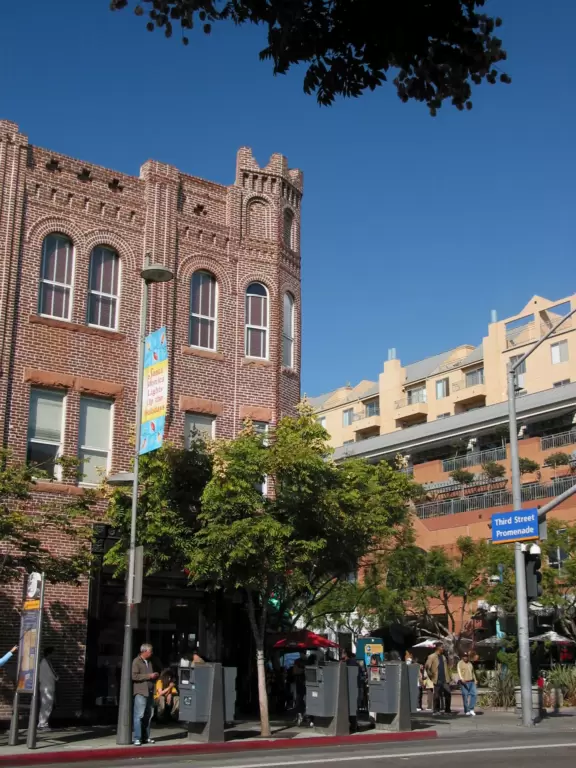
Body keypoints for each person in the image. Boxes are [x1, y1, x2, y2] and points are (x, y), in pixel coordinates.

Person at [132, 643, 159, 746]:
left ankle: (146, 737)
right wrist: (149, 676)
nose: (151, 653)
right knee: (139, 715)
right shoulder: (136, 661)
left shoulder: (149, 662)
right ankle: (137, 738)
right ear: (144, 651)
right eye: (150, 651)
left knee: (148, 715)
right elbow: (134, 676)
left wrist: (154, 676)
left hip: (150, 691)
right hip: (141, 692)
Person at [425, 642, 451, 715]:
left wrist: (449, 677)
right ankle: (436, 710)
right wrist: (431, 676)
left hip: (445, 679)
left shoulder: (443, 657)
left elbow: (446, 668)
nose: (443, 649)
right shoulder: (431, 656)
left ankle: (447, 710)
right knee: (436, 695)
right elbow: (427, 667)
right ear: (438, 648)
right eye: (442, 647)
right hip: (437, 678)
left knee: (448, 693)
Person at [38, 647, 58, 731]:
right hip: (47, 687)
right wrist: (57, 677)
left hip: (45, 686)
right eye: (53, 653)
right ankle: (42, 724)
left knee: (46, 705)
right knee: (47, 706)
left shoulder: (43, 662)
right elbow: (54, 675)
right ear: (50, 653)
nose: (54, 655)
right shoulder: (46, 662)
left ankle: (43, 724)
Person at [457, 652, 477, 716]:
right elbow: (459, 671)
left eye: (466, 656)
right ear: (462, 657)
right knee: (465, 696)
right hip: (464, 682)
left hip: (471, 682)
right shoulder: (460, 663)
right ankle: (467, 710)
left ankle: (471, 709)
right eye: (464, 656)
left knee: (474, 694)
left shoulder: (470, 663)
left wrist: (475, 679)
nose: (465, 657)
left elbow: (473, 672)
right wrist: (461, 678)